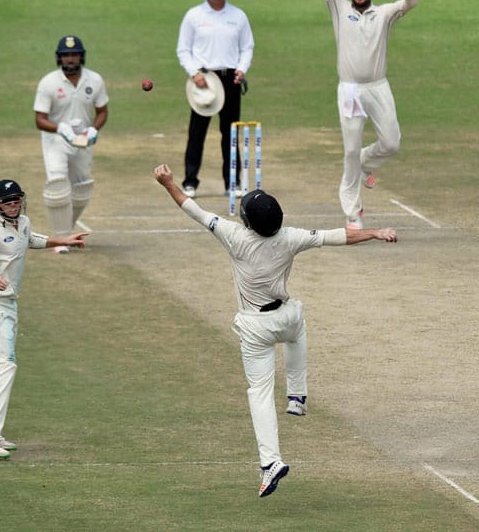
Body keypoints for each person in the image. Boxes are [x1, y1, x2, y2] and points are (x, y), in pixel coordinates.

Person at [153, 163, 398, 497]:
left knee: (259, 392)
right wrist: (373, 232)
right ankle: (297, 396)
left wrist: (168, 183)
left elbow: (194, 209)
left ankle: (270, 462)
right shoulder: (290, 237)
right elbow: (337, 236)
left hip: (255, 326)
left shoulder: (234, 236)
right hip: (285, 318)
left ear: (249, 223)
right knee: (297, 326)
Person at [0, 179, 87, 458]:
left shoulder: (24, 221)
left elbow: (30, 239)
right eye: (8, 201)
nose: (13, 205)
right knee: (4, 365)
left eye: (17, 200)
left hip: (7, 304)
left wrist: (62, 240)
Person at [318, 0, 418, 228]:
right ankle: (353, 212)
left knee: (391, 143)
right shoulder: (339, 7)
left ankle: (363, 163)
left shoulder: (385, 13)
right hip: (349, 90)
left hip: (377, 87)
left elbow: (411, 2)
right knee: (348, 150)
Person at [176, 0, 255, 198]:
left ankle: (232, 183)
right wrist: (194, 73)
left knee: (230, 132)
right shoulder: (194, 16)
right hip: (204, 80)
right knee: (197, 133)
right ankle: (190, 181)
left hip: (230, 78)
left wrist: (242, 69)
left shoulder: (238, 16)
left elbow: (247, 47)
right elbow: (183, 49)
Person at [34, 35, 109, 254]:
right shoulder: (48, 82)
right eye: (66, 56)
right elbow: (39, 119)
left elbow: (102, 112)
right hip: (55, 140)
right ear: (59, 59)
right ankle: (60, 240)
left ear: (81, 56)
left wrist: (94, 128)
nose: (70, 59)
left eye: (74, 55)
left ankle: (66, 231)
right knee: (57, 184)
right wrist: (60, 128)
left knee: (82, 187)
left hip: (83, 141)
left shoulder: (95, 80)